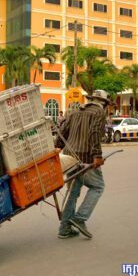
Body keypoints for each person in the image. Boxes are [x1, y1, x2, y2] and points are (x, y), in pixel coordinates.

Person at [56, 90, 111, 239]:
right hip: (84, 157)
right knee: (98, 186)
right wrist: (97, 156)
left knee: (73, 191)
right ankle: (80, 218)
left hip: (69, 156)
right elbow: (94, 134)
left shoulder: (75, 111)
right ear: (104, 103)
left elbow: (63, 131)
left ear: (91, 99)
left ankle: (64, 228)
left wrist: (58, 147)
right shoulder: (99, 112)